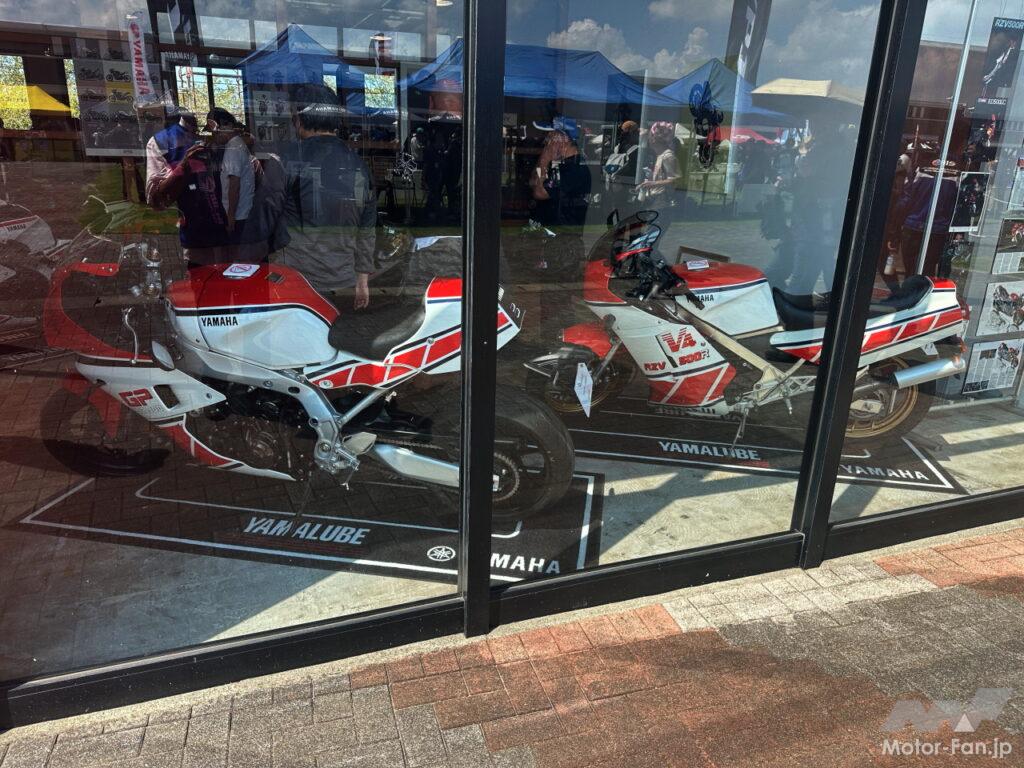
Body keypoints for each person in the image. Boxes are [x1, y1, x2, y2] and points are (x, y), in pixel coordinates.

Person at [276, 84, 375, 310]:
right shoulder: (358, 164)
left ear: (299, 118)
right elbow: (367, 227)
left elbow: (267, 215)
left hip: (299, 278)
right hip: (344, 279)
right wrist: (362, 279)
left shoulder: (290, 159)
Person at [146, 107, 230, 265]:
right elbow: (157, 201)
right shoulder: (163, 141)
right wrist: (185, 167)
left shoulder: (224, 134)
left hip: (237, 238)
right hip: (199, 242)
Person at [206, 108, 257, 259]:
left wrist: (230, 218)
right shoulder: (236, 145)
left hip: (238, 216)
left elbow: (234, 185)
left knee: (237, 258)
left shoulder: (233, 148)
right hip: (241, 213)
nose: (214, 136)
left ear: (226, 126)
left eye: (215, 132)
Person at [636, 121, 681, 219]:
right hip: (655, 203)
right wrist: (649, 181)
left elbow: (675, 180)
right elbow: (663, 177)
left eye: (649, 137)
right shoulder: (660, 155)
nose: (648, 140)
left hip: (662, 206)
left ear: (653, 139)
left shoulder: (667, 156)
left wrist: (653, 184)